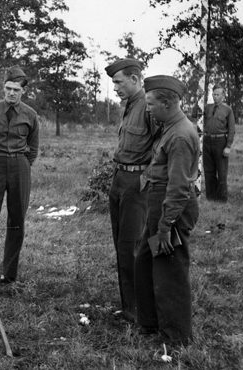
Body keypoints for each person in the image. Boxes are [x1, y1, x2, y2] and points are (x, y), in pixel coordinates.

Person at [135, 75, 200, 345]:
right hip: (158, 201)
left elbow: (179, 187)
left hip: (171, 207)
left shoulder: (181, 135)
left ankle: (176, 336)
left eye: (150, 104)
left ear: (166, 103)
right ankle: (150, 324)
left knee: (170, 270)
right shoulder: (170, 127)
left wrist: (166, 224)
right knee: (146, 261)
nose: (147, 108)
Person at [104, 58, 158, 323]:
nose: (115, 88)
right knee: (122, 245)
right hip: (120, 179)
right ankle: (129, 307)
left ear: (135, 80)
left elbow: (162, 146)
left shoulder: (148, 107)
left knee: (132, 247)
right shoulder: (130, 106)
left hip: (138, 185)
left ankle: (139, 311)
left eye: (118, 82)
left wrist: (148, 177)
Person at [0, 65, 39, 291]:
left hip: (19, 166)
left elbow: (33, 147)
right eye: (7, 88)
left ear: (23, 91)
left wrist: (21, 164)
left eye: (16, 89)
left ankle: (10, 275)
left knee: (17, 221)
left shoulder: (31, 115)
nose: (11, 93)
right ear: (3, 88)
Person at [203, 85, 235, 202]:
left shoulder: (228, 109)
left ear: (223, 96)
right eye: (213, 94)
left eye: (217, 94)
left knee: (221, 172)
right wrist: (198, 101)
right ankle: (211, 197)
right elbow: (194, 114)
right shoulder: (206, 107)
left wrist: (228, 146)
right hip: (207, 142)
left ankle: (221, 199)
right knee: (209, 171)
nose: (215, 97)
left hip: (220, 142)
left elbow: (231, 129)